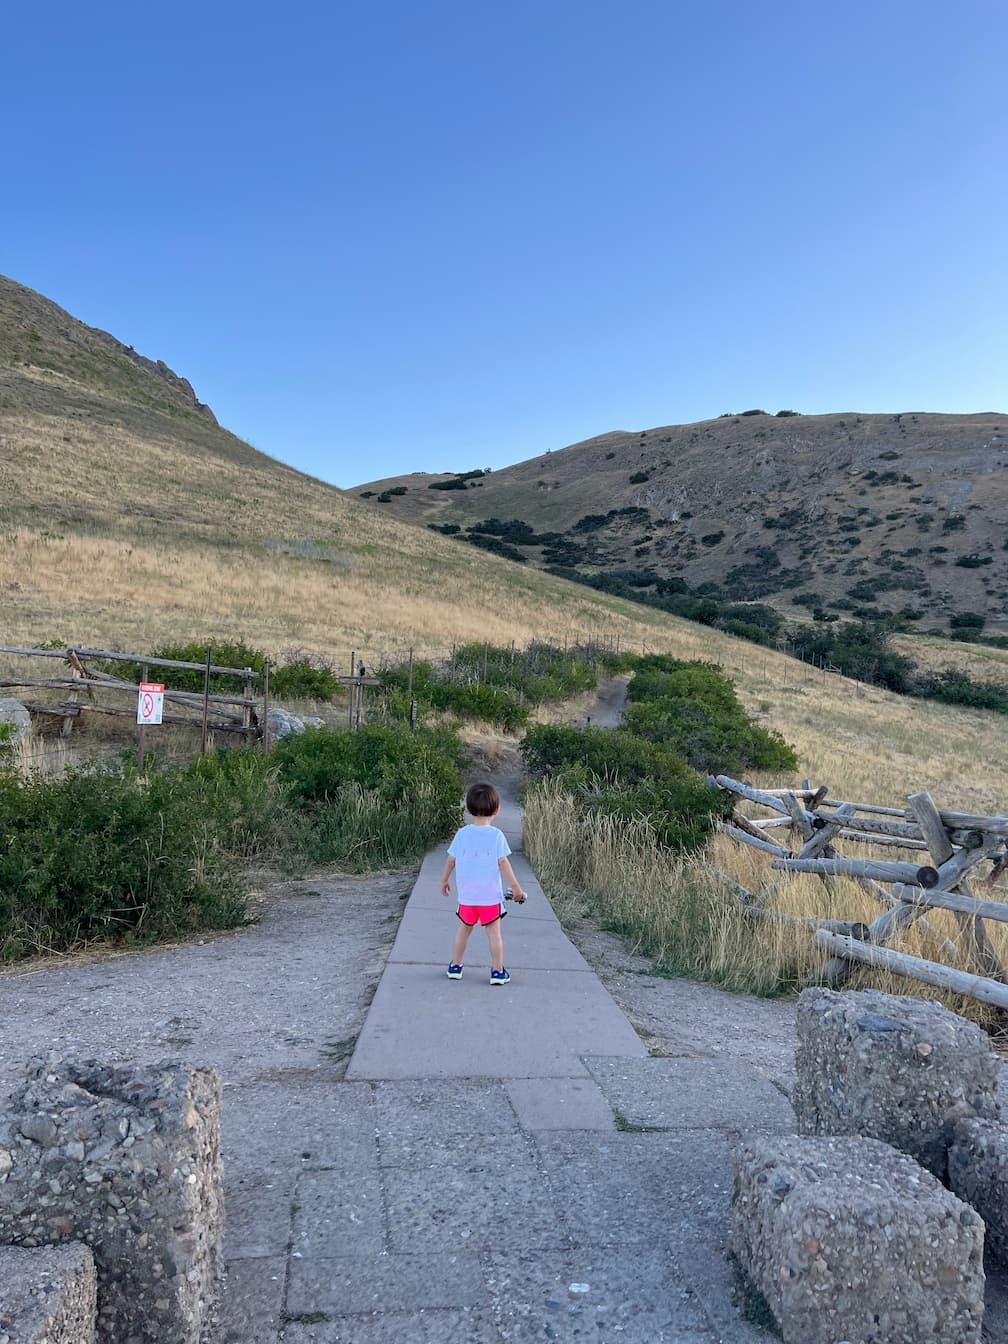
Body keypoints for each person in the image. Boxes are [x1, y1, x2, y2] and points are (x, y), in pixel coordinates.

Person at [440, 781, 526, 984]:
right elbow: (503, 863)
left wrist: (444, 880)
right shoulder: (496, 836)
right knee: (494, 934)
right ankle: (497, 971)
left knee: (464, 930)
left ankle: (455, 966)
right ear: (497, 810)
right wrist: (516, 888)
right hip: (489, 897)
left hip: (468, 896)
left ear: (468, 809)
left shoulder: (462, 834)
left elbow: (451, 860)